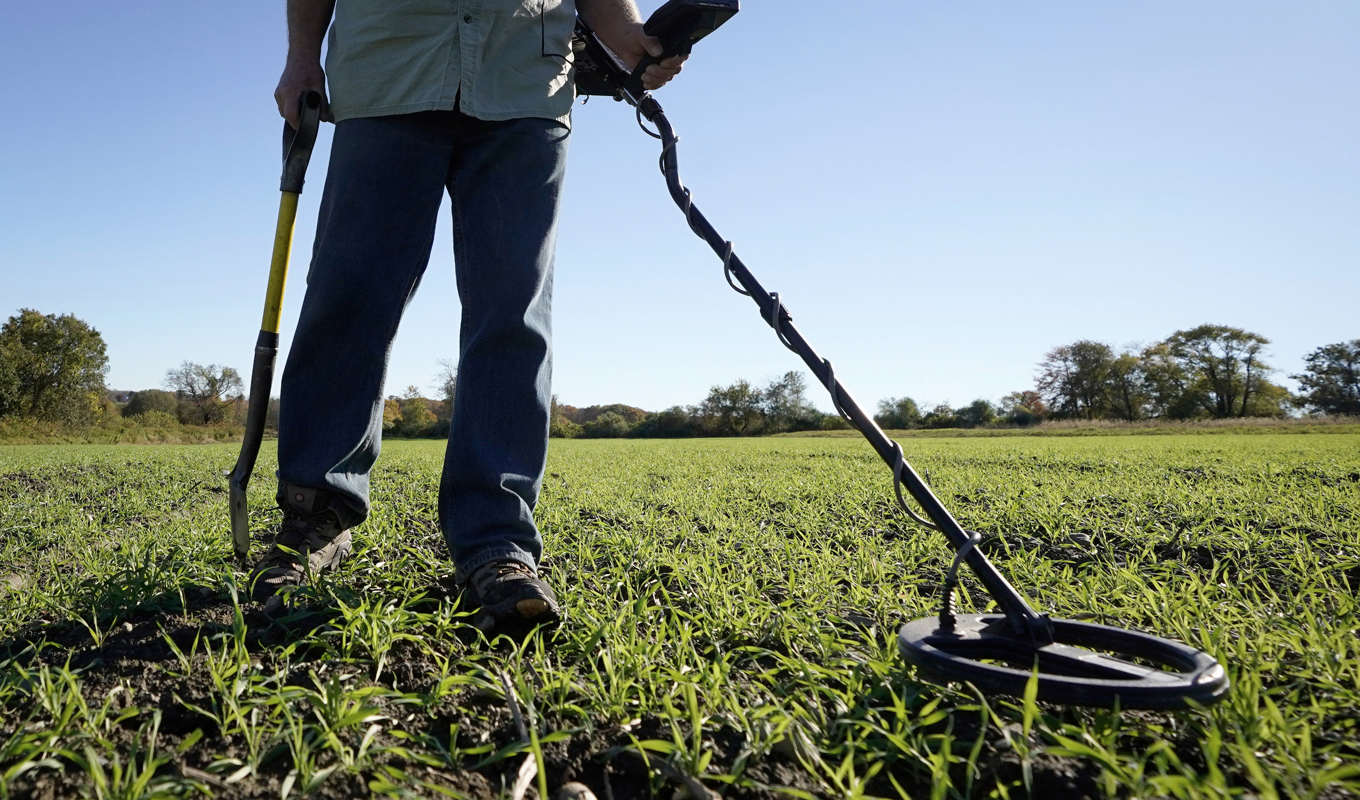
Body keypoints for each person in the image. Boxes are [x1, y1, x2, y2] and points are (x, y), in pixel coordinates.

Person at [248, 0, 686, 633]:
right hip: (385, 75)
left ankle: (497, 543)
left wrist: (628, 38)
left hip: (526, 87)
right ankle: (316, 516)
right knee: (350, 300)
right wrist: (299, 59)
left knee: (514, 315)